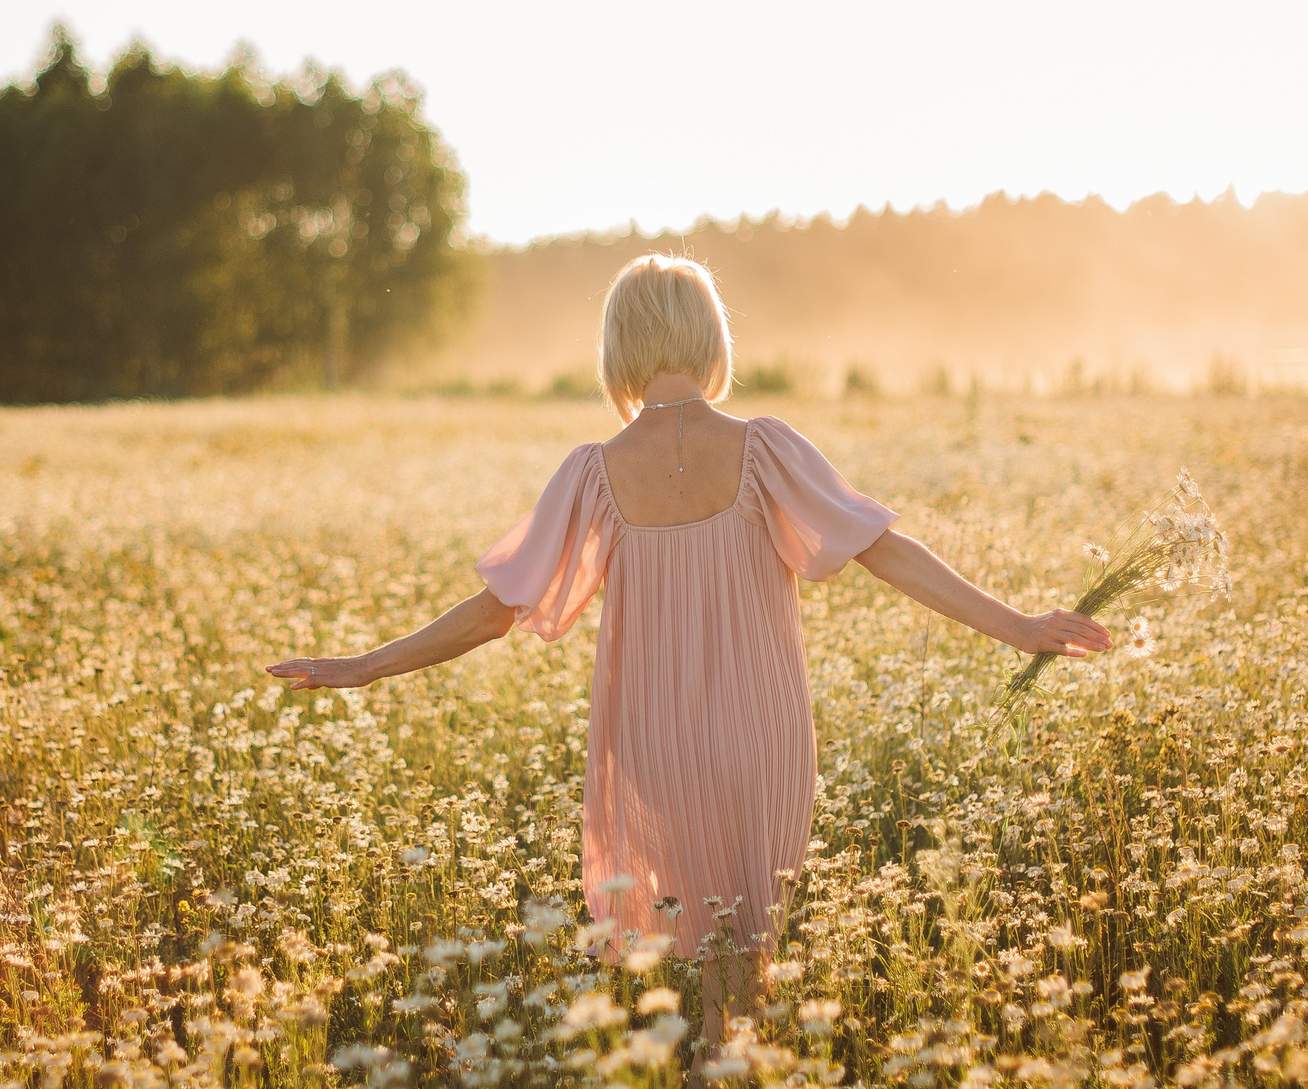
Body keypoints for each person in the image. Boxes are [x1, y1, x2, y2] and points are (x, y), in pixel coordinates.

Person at [267, 255, 1109, 1036]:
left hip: (653, 745)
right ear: (711, 339)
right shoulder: (764, 446)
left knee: (713, 961)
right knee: (747, 957)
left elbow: (495, 609)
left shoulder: (594, 473)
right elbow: (884, 548)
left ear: (619, 347)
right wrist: (1019, 626)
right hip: (761, 735)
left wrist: (366, 665)